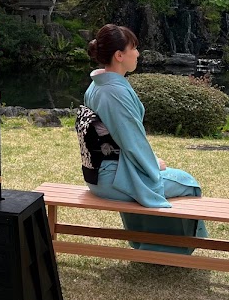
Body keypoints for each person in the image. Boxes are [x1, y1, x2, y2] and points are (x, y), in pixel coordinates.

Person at [76, 23, 208, 254]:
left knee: (157, 180)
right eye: (134, 48)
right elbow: (131, 141)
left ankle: (144, 241)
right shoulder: (114, 93)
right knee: (188, 183)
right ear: (119, 56)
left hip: (99, 175)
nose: (138, 54)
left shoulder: (96, 87)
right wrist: (153, 165)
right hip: (113, 179)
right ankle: (164, 248)